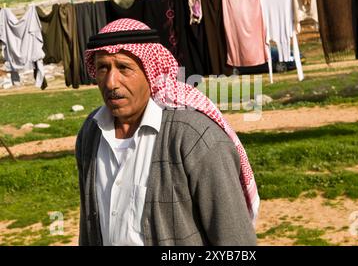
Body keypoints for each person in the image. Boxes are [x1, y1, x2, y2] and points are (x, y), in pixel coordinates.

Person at [76, 18, 260, 246]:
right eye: (103, 68)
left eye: (124, 68)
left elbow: (235, 241)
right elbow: (89, 226)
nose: (111, 82)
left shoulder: (194, 137)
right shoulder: (91, 133)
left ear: (150, 71)